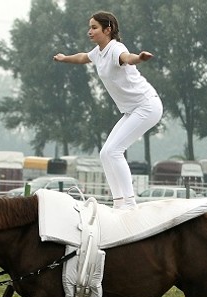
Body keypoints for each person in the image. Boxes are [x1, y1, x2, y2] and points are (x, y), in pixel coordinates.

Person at [54, 10, 162, 210]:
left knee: (114, 151)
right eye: (90, 27)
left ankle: (130, 204)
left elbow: (127, 58)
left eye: (94, 27)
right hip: (132, 110)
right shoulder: (98, 52)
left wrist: (139, 57)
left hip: (147, 106)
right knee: (105, 153)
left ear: (108, 29)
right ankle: (118, 202)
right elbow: (82, 58)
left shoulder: (115, 49)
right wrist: (64, 58)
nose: (90, 31)